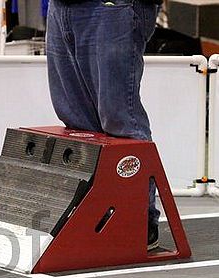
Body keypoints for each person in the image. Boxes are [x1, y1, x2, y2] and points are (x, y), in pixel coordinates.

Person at [45, 0, 162, 250]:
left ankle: (137, 220)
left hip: (113, 6)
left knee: (120, 119)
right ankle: (95, 214)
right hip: (62, 7)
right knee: (76, 121)